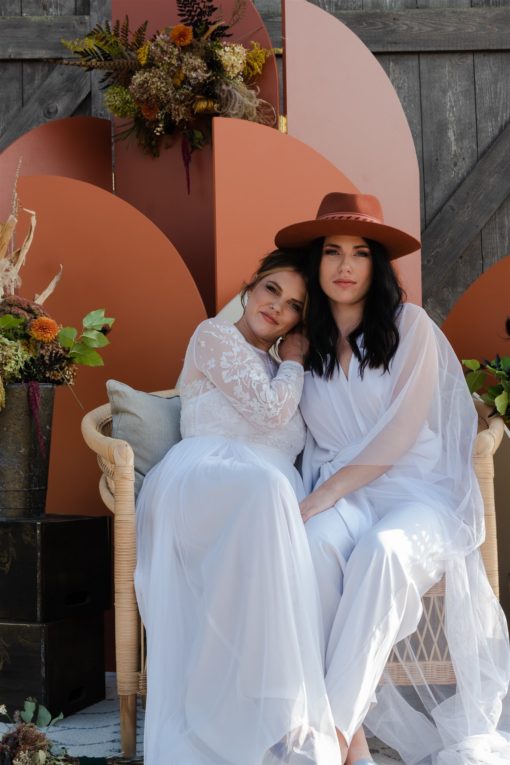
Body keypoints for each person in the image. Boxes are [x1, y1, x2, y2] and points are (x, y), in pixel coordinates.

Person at [275, 192, 510, 765]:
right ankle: (351, 742)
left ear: (378, 266)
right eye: (332, 252)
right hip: (341, 494)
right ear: (316, 264)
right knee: (308, 547)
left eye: (360, 253)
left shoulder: (410, 327)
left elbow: (403, 432)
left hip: (416, 491)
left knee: (382, 552)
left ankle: (327, 738)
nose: (346, 265)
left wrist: (326, 491)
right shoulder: (301, 343)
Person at [134, 249, 341, 765]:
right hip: (204, 483)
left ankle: (276, 717)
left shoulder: (281, 369)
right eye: (272, 290)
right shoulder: (214, 337)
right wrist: (294, 358)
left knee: (301, 522)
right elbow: (269, 410)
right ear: (250, 289)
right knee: (270, 493)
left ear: (300, 319)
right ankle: (232, 725)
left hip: (263, 500)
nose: (277, 307)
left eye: (294, 305)